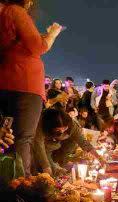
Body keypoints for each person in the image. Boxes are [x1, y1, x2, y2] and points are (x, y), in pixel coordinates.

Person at [0, 0, 63, 177]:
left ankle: (9, 185)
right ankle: (21, 189)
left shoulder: (4, 13)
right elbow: (39, 46)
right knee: (23, 139)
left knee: (8, 139)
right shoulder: (15, 11)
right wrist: (53, 34)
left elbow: (22, 43)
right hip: (25, 84)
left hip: (7, 82)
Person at [32, 108, 104, 176]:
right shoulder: (41, 124)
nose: (62, 132)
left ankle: (59, 166)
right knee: (46, 168)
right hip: (42, 146)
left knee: (57, 169)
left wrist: (99, 158)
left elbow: (83, 143)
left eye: (64, 129)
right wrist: (46, 167)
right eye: (58, 131)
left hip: (56, 145)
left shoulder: (72, 125)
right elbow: (39, 148)